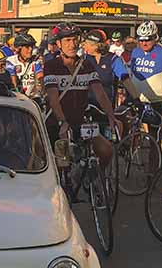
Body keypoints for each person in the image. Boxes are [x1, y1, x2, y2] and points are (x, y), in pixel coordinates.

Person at [43, 25, 121, 171]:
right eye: (67, 40)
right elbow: (53, 99)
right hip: (58, 124)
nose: (72, 45)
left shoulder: (86, 65)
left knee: (107, 151)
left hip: (80, 122)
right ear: (58, 44)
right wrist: (62, 122)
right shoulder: (51, 66)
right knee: (62, 164)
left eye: (74, 40)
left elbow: (101, 94)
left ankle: (97, 180)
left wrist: (111, 117)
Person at [113, 20, 162, 127]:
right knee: (126, 123)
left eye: (148, 40)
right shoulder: (135, 52)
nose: (144, 43)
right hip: (137, 99)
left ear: (155, 38)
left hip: (158, 101)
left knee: (154, 135)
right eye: (141, 40)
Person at [83, 29, 118, 115]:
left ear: (97, 46)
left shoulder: (113, 59)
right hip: (86, 107)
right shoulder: (83, 59)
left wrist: (135, 98)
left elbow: (125, 78)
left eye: (88, 44)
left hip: (106, 109)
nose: (84, 46)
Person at [8, 33, 44, 97]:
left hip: (33, 97)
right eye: (27, 47)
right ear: (18, 49)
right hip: (17, 97)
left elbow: (40, 78)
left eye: (32, 46)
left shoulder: (36, 61)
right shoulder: (11, 61)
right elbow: (13, 82)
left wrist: (39, 89)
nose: (30, 49)